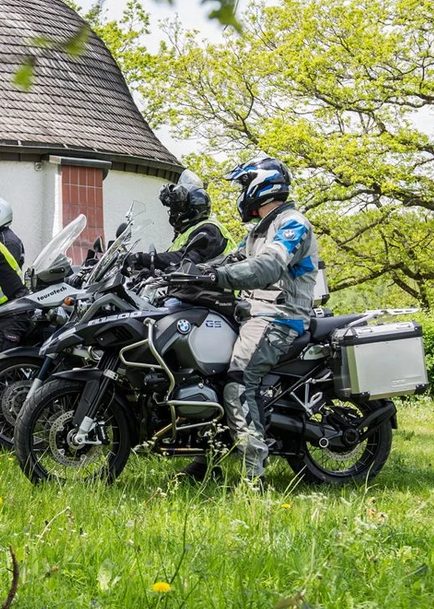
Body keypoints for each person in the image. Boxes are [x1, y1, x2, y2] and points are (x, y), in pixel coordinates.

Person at [180, 156, 322, 488]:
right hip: (252, 312)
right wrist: (183, 272)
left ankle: (252, 473)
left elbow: (267, 268)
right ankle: (205, 462)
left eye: (244, 185)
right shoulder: (259, 230)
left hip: (279, 316)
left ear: (262, 186)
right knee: (207, 376)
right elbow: (229, 260)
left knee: (238, 381)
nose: (241, 193)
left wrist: (216, 276)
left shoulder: (292, 224)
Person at [123, 171, 235, 274]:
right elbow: (169, 264)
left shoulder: (209, 230)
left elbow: (184, 259)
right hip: (192, 290)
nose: (172, 213)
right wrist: (141, 268)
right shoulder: (189, 231)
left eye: (176, 209)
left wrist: (142, 258)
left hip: (213, 292)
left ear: (191, 210)